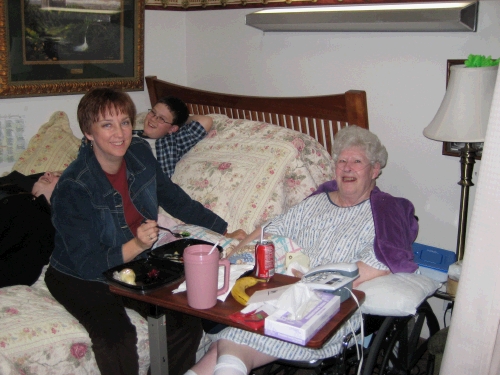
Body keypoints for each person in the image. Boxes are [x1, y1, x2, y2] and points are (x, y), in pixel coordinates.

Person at [188, 125, 419, 375]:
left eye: (357, 161)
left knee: (234, 337)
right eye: (342, 160)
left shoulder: (384, 211)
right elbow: (270, 230)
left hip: (328, 307)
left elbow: (379, 262)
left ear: (374, 170)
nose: (347, 167)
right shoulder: (316, 203)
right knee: (228, 338)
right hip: (285, 293)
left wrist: (313, 282)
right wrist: (231, 256)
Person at [44, 88, 244, 375]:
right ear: (88, 132)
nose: (119, 134)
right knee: (118, 338)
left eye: (124, 122)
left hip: (131, 264)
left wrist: (224, 230)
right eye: (106, 125)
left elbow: (173, 197)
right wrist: (138, 244)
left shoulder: (138, 152)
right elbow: (89, 265)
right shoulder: (74, 186)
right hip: (78, 275)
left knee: (185, 324)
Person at [0, 171, 61, 287]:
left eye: (58, 176)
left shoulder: (44, 221)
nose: (48, 173)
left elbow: (23, 271)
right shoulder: (14, 190)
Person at [138, 96, 213, 177]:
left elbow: (206, 121)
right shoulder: (128, 134)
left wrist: (182, 120)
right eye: (153, 112)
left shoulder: (170, 143)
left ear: (172, 128)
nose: (153, 119)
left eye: (162, 119)